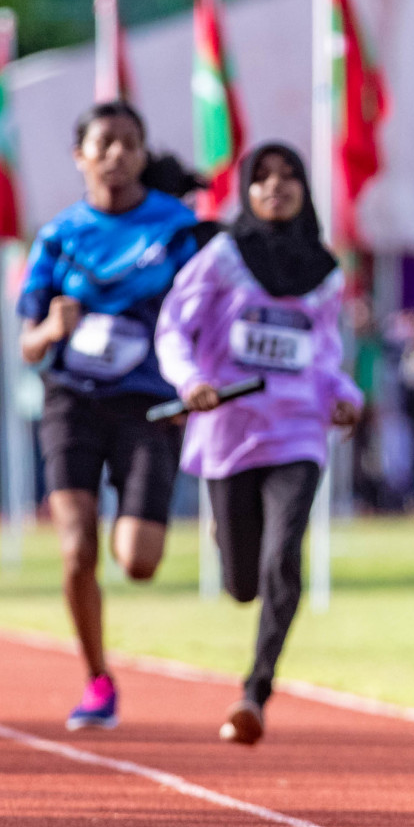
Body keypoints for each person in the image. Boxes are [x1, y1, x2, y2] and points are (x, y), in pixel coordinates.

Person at [155, 142, 362, 745]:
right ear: (245, 189)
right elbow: (174, 326)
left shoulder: (325, 271)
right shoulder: (223, 256)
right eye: (263, 178)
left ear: (305, 189)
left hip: (298, 429)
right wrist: (191, 380)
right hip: (227, 430)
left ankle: (255, 691)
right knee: (243, 580)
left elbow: (324, 355)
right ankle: (232, 550)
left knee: (283, 557)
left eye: (290, 176)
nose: (277, 187)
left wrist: (344, 393)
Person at [16, 101, 204, 731]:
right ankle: (98, 680)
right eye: (104, 144)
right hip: (72, 399)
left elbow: (207, 308)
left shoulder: (178, 227)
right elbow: (27, 343)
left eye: (130, 143)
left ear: (145, 154)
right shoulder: (59, 234)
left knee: (139, 561)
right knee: (76, 550)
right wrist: (49, 328)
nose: (117, 155)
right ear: (81, 157)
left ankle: (134, 550)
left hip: (148, 403)